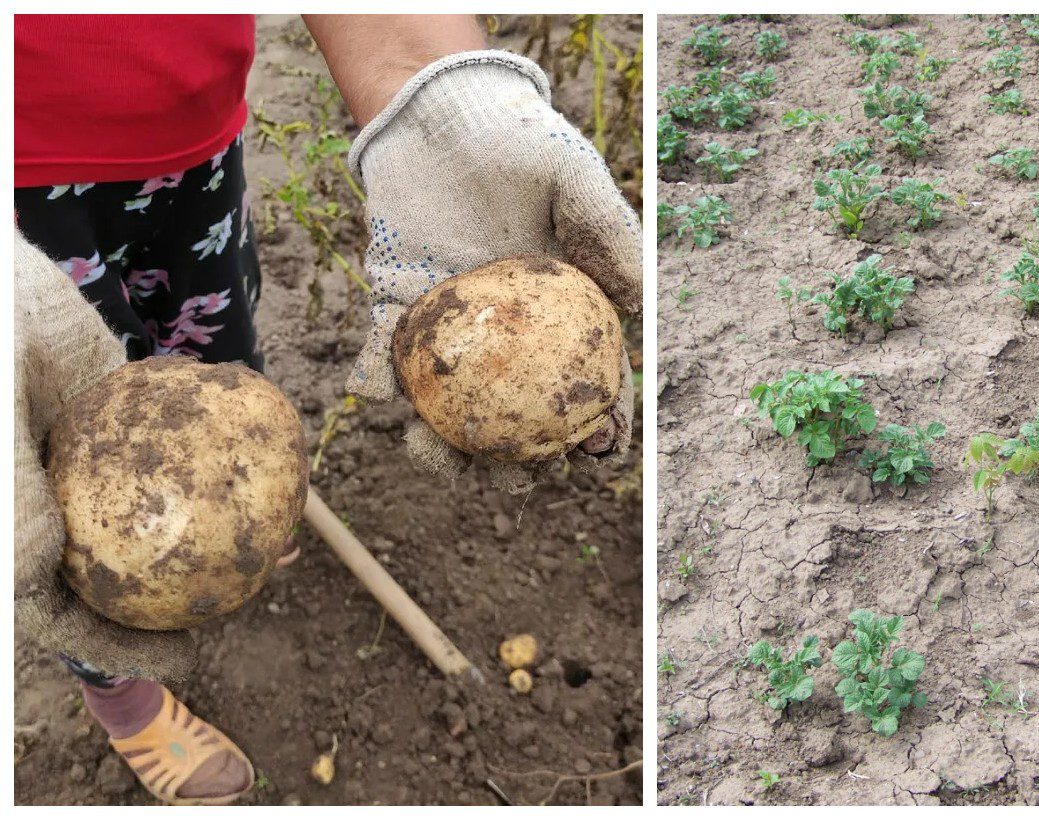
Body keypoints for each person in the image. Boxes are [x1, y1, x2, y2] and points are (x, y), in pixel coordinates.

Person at [14, 13, 641, 805]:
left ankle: (249, 511)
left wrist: (441, 94)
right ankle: (122, 696)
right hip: (20, 202)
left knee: (220, 379)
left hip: (188, 149)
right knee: (50, 502)